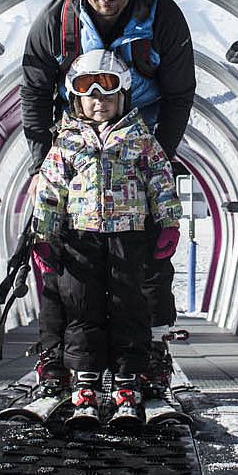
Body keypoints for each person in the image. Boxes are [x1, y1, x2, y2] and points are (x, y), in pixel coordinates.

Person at [21, 0, 196, 391]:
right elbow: (35, 90)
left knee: (145, 262)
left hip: (140, 139)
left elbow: (179, 94)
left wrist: (154, 155)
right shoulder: (57, 21)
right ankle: (58, 356)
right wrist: (43, 163)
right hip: (74, 143)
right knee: (65, 260)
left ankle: (150, 352)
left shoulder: (164, 18)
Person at [32, 50, 182, 422]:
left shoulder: (140, 139)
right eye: (88, 90)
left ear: (123, 94)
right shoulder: (65, 143)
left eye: (108, 89)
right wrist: (45, 234)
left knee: (128, 306)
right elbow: (51, 190)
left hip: (127, 237)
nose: (98, 99)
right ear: (76, 97)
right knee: (82, 308)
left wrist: (168, 222)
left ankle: (127, 380)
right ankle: (85, 383)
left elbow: (160, 180)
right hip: (80, 238)